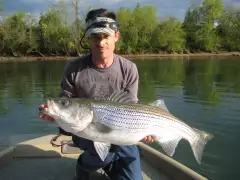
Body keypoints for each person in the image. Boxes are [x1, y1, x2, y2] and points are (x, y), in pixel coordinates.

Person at [39, 8, 154, 180]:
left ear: (116, 36)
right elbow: (65, 101)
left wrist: (147, 131)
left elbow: (131, 107)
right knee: (106, 154)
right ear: (89, 38)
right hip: (85, 130)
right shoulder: (74, 68)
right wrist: (51, 114)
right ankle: (84, 166)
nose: (101, 43)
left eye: (105, 36)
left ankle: (110, 162)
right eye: (96, 37)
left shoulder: (129, 69)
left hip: (122, 132)